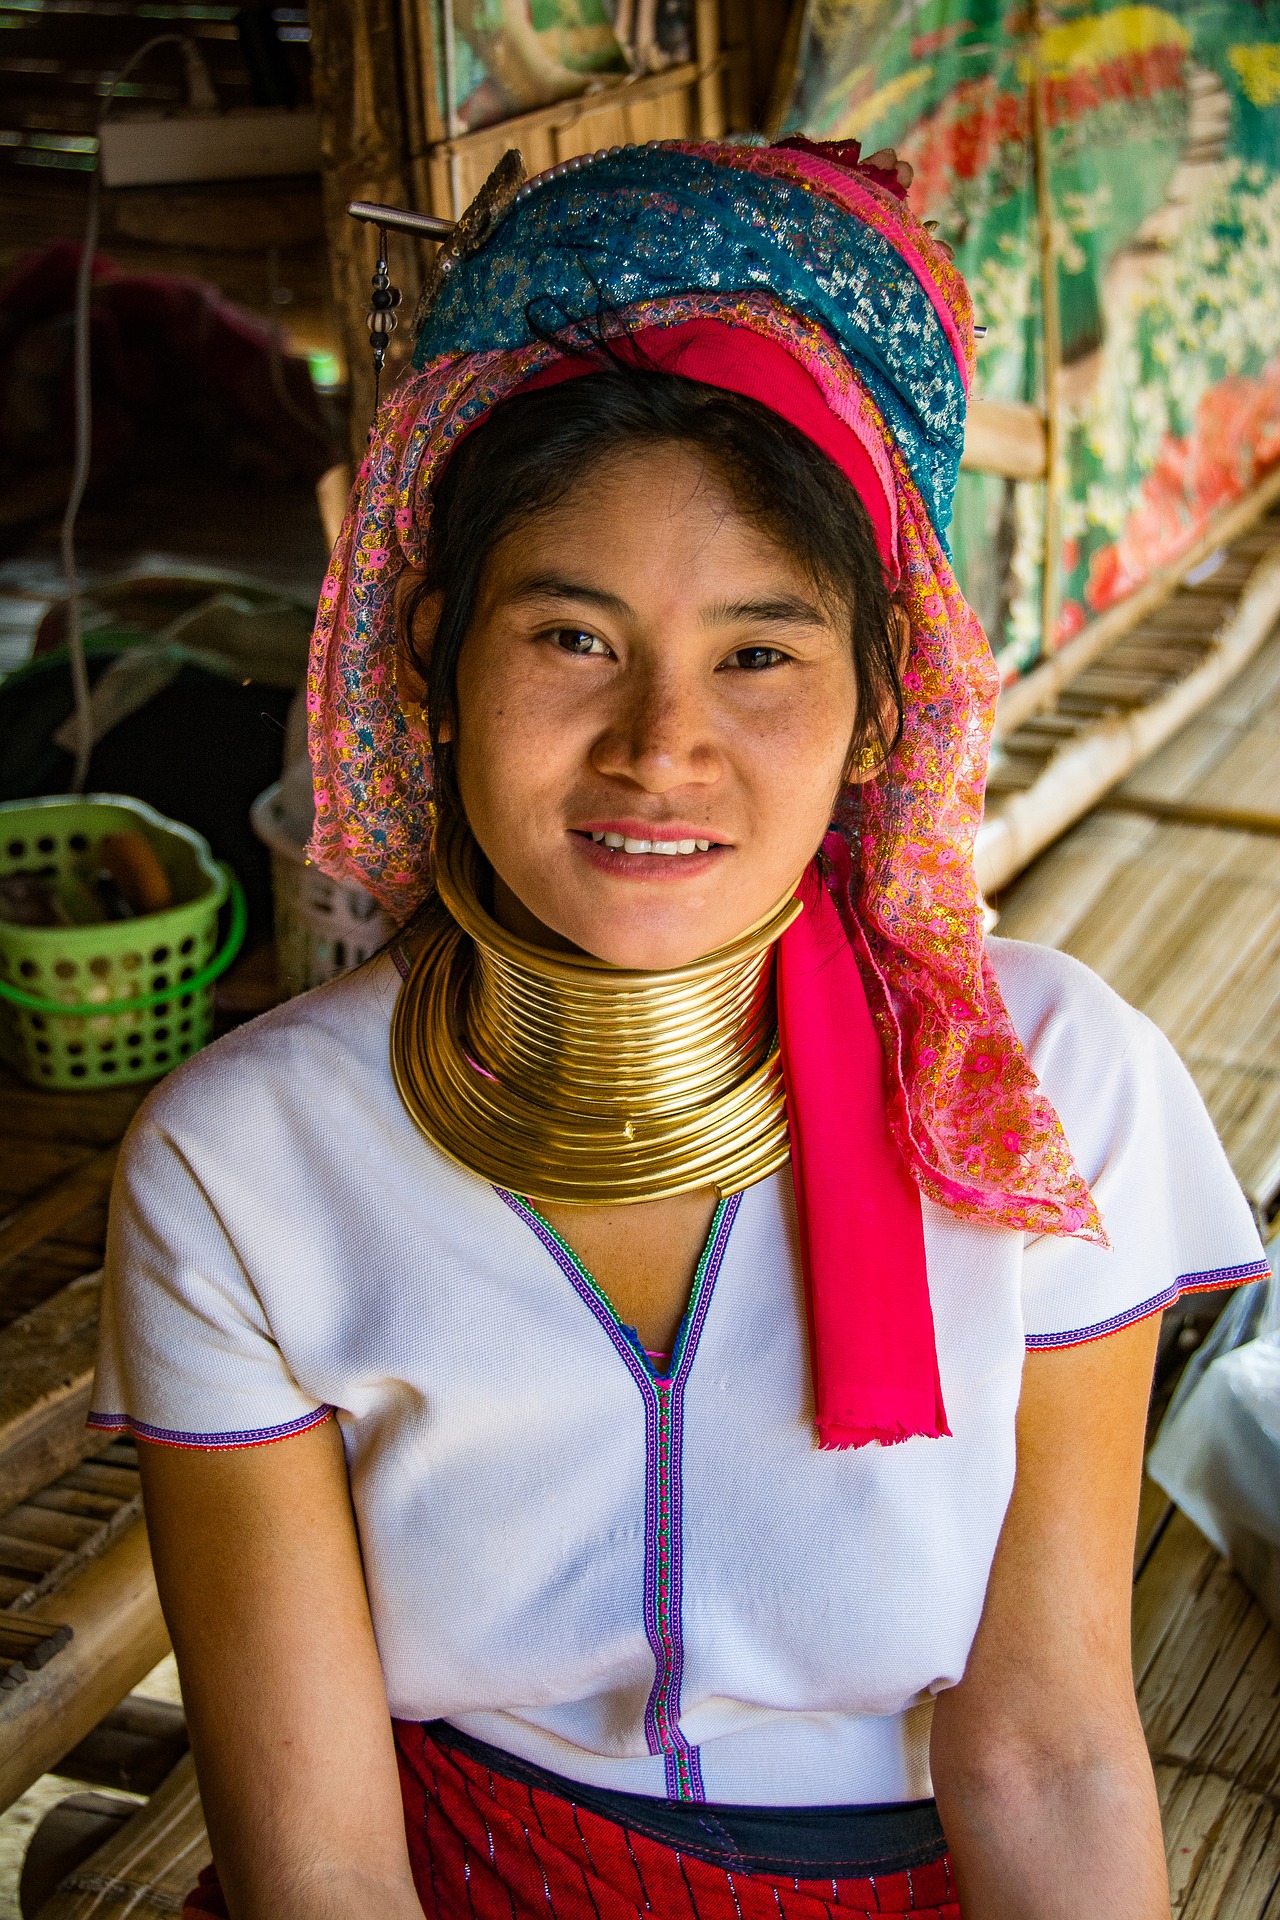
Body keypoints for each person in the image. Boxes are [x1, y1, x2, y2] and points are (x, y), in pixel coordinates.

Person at [90, 137, 1268, 1920]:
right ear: (429, 653)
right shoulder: (241, 1165)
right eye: (573, 636)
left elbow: (1049, 1750)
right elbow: (320, 1864)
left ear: (887, 699)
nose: (659, 747)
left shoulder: (1043, 1093)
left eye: (759, 654)